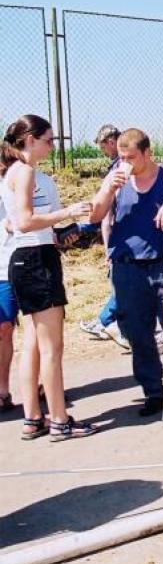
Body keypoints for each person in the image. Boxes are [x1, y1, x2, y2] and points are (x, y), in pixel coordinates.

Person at [88, 128, 163, 416]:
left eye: (131, 157)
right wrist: (108, 189)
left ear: (147, 152)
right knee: (137, 332)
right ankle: (154, 391)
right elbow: (95, 214)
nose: (125, 163)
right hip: (127, 267)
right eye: (122, 157)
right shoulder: (116, 177)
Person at [1, 114, 96, 440]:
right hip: (35, 260)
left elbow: (16, 222)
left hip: (26, 258)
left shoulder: (14, 171)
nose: (52, 146)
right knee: (52, 347)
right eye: (48, 140)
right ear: (30, 140)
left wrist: (57, 230)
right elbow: (24, 221)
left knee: (33, 344)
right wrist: (68, 212)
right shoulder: (24, 171)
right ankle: (59, 420)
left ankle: (33, 417)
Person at [79, 124, 129, 348]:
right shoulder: (123, 165)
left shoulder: (120, 168)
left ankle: (105, 321)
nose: (103, 152)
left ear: (111, 142)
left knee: (125, 283)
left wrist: (108, 246)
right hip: (124, 232)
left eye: (103, 148)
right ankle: (106, 321)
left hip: (121, 233)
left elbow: (107, 215)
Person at [0, 197, 17, 412]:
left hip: (15, 262)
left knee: (36, 327)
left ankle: (41, 383)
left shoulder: (14, 184)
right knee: (3, 328)